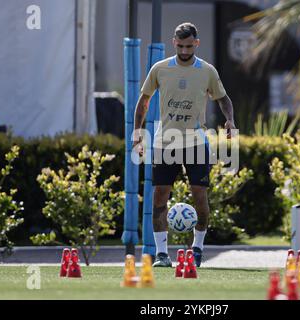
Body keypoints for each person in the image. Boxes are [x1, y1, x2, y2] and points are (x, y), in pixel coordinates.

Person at [132, 22, 236, 267]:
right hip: (164, 143)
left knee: (199, 196)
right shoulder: (160, 68)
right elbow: (143, 101)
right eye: (181, 46)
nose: (185, 50)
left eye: (190, 46)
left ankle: (197, 248)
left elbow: (224, 99)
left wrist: (230, 120)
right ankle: (161, 254)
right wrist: (137, 134)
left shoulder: (207, 71)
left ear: (196, 43)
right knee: (159, 197)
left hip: (196, 142)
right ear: (173, 42)